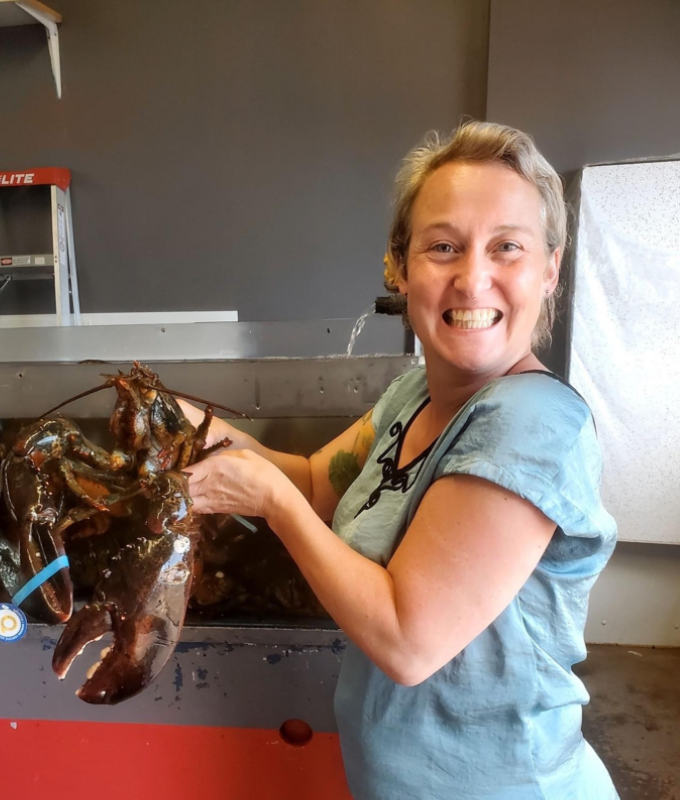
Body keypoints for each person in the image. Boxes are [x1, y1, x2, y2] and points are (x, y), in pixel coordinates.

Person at [181, 121, 619, 800]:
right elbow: (315, 482)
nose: (473, 279)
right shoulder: (415, 394)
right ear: (399, 266)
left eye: (507, 247)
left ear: (549, 269)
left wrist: (271, 503)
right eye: (443, 247)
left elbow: (408, 642)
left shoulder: (529, 427)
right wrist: (186, 422)